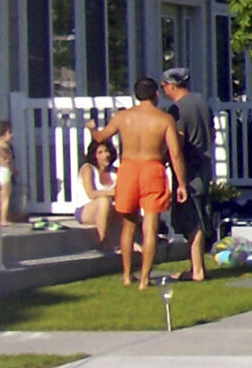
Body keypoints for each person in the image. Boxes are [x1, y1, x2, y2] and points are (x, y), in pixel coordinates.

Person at [87, 79, 188, 286]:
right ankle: (144, 279)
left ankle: (126, 275)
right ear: (156, 95)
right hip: (152, 168)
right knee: (150, 226)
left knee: (129, 225)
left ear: (135, 95)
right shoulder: (164, 119)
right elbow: (175, 154)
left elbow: (100, 136)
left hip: (129, 168)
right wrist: (182, 183)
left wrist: (91, 128)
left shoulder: (123, 117)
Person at [161, 67, 214, 281]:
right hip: (204, 165)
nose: (164, 90)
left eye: (164, 86)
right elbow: (211, 135)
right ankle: (196, 267)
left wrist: (167, 159)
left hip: (188, 169)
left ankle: (198, 270)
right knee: (201, 213)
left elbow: (178, 141)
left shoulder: (178, 110)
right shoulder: (203, 104)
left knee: (193, 219)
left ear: (172, 86)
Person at [76, 138, 119, 246]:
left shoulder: (115, 172)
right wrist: (112, 192)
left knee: (130, 205)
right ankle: (103, 241)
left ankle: (134, 241)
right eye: (100, 152)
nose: (105, 155)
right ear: (94, 155)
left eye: (107, 151)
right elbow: (91, 194)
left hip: (109, 209)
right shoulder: (88, 169)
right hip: (85, 210)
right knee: (103, 201)